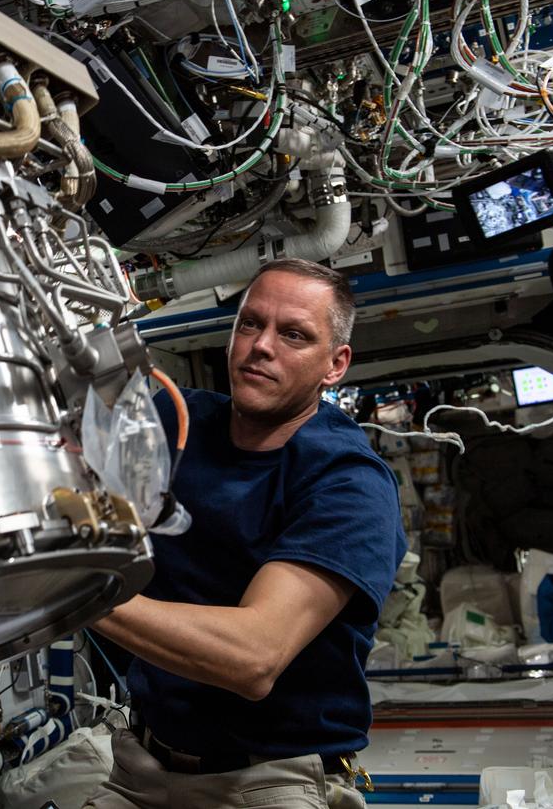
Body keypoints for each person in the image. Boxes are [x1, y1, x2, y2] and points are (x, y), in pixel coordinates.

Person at [84, 258, 407, 809]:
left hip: (270, 781)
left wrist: (63, 591)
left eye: (294, 335)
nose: (261, 346)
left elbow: (253, 658)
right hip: (140, 763)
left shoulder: (348, 484)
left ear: (335, 365)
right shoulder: (176, 419)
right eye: (250, 324)